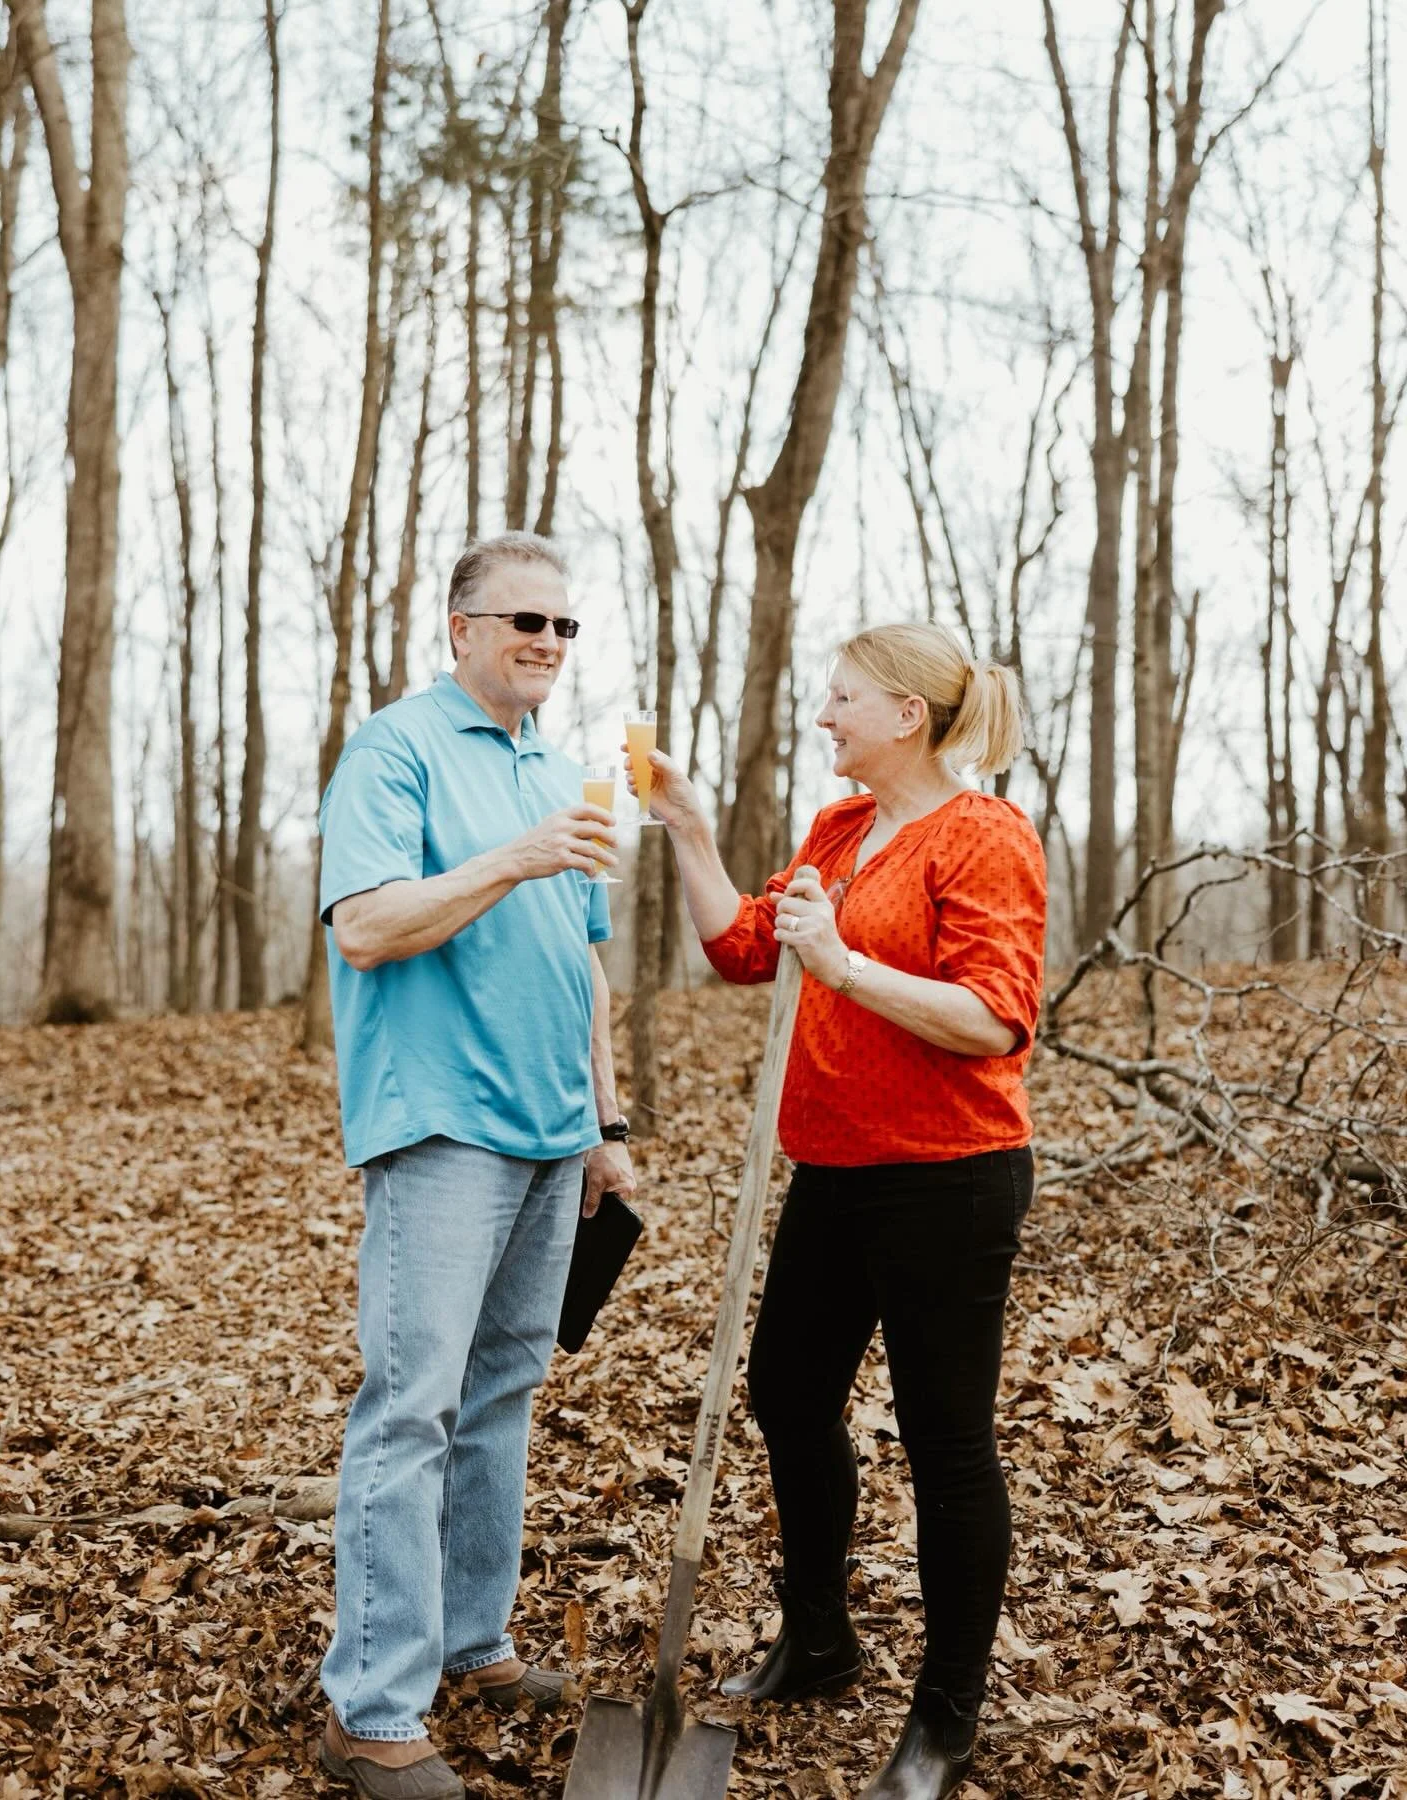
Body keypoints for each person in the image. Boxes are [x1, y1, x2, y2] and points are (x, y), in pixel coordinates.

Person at [632, 623, 1046, 1800]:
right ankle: (818, 1639)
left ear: (906, 716)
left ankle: (943, 1720)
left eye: (843, 697)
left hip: (949, 1177)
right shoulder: (841, 831)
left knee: (945, 1443)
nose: (824, 713)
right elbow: (745, 950)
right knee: (789, 1397)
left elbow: (993, 1020)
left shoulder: (985, 837)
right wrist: (691, 829)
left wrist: (850, 967)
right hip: (834, 1168)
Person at [314, 532, 637, 1800]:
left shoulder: (559, 769)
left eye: (564, 629)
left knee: (502, 1396)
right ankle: (372, 1712)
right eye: (523, 622)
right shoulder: (394, 750)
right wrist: (511, 857)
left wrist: (609, 1126)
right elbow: (368, 926)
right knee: (412, 1411)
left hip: (556, 1138)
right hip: (442, 1127)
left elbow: (587, 967)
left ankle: (472, 1642)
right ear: (460, 629)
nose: (547, 645)